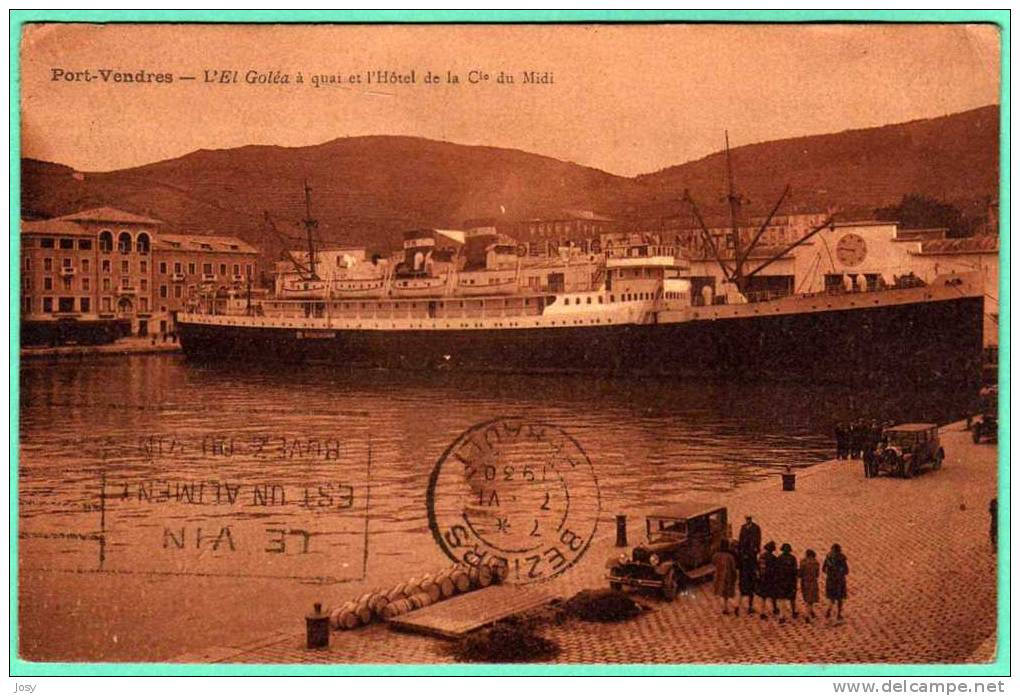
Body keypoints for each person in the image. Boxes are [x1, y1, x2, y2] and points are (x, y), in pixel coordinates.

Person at [823, 543, 850, 621]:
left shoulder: (828, 557)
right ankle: (839, 614)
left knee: (832, 597)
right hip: (840, 580)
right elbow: (846, 571)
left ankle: (829, 609)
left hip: (830, 580)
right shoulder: (842, 558)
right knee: (840, 598)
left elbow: (824, 569)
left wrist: (830, 572)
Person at [712, 539, 738, 615]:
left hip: (719, 577)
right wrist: (734, 577)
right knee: (727, 595)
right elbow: (733, 568)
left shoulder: (716, 555)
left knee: (722, 594)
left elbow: (713, 563)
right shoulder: (730, 557)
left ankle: (733, 606)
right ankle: (727, 608)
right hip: (728, 577)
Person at [776, 543, 799, 621]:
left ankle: (782, 616)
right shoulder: (793, 558)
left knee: (782, 599)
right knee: (792, 598)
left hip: (782, 581)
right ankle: (794, 612)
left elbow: (777, 570)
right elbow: (795, 570)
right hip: (791, 581)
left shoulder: (779, 558)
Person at [758, 541, 779, 619]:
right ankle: (775, 608)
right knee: (773, 595)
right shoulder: (774, 558)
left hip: (763, 578)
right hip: (771, 579)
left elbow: (759, 567)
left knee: (763, 596)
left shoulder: (762, 556)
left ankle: (762, 612)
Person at [798, 548, 820, 622]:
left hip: (805, 582)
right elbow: (817, 574)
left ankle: (807, 615)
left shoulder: (803, 562)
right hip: (813, 582)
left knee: (807, 599)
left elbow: (800, 574)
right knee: (811, 599)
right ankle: (810, 611)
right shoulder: (816, 563)